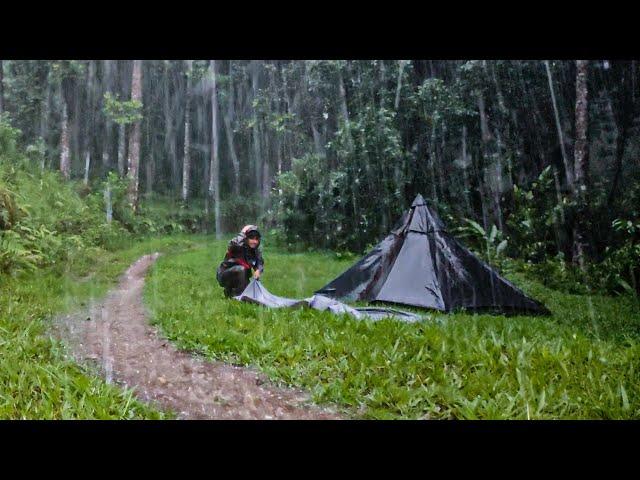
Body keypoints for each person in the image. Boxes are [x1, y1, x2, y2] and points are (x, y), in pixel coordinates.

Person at [216, 224, 264, 298]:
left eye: (256, 239)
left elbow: (259, 263)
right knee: (241, 269)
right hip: (225, 274)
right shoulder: (238, 246)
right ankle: (237, 296)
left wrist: (258, 270)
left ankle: (231, 292)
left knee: (250, 289)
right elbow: (233, 244)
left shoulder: (256, 251)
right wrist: (243, 232)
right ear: (246, 238)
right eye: (251, 238)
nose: (254, 241)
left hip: (242, 276)